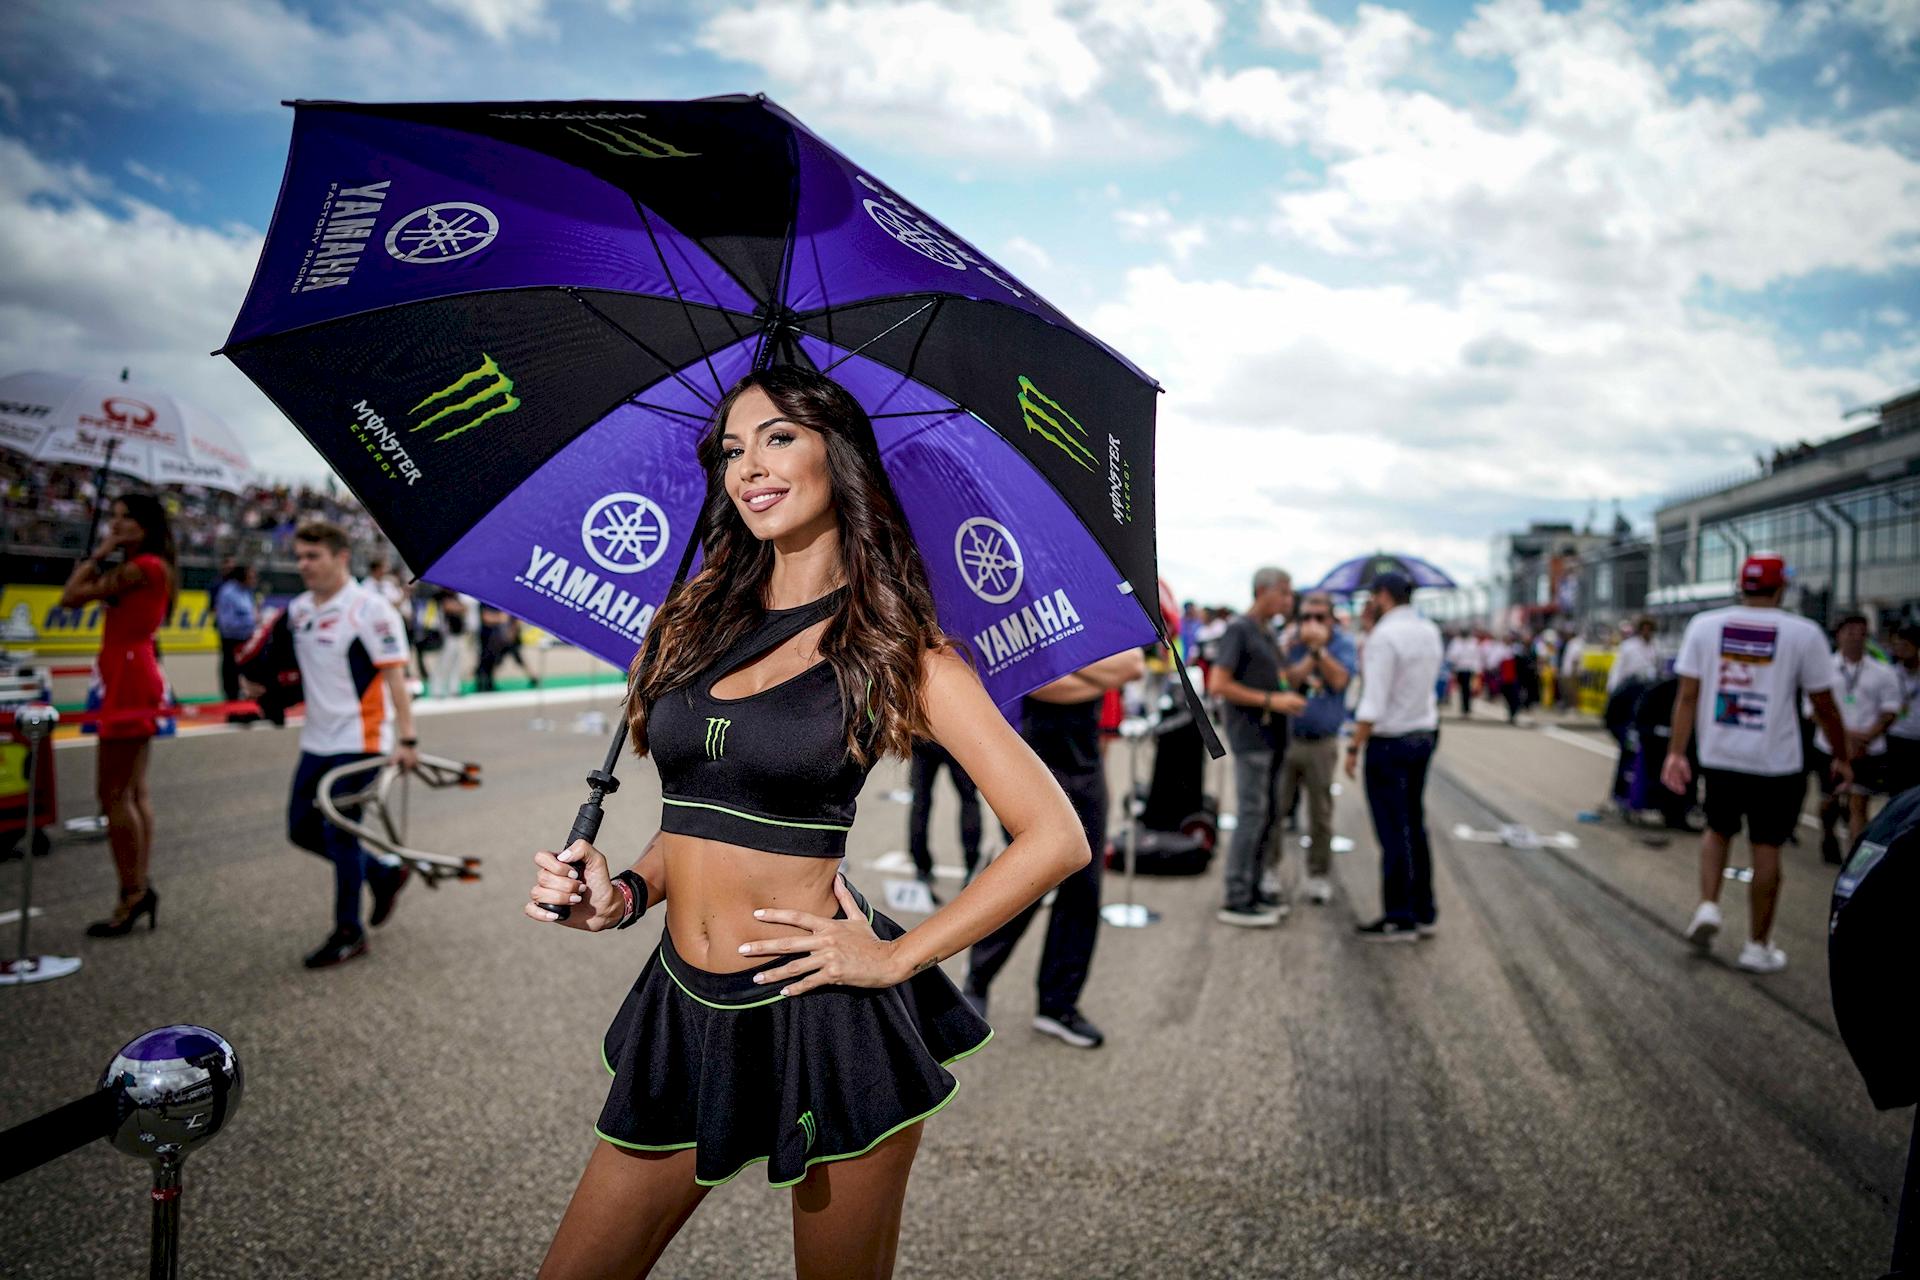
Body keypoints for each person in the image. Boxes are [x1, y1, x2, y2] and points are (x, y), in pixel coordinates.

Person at [526, 366, 1088, 1280]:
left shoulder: (901, 653)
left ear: (840, 456)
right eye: (732, 450)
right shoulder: (690, 624)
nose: (749, 466)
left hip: (826, 1015)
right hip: (682, 1003)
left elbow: (1056, 836)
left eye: (779, 437)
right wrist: (622, 894)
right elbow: (702, 814)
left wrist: (899, 958)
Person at [1660, 554, 1851, 974]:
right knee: (1766, 847)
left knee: (1716, 830)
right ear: (1781, 589)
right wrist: (1841, 754)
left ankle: (1708, 905)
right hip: (1775, 761)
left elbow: (1687, 696)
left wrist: (1676, 752)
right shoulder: (1803, 633)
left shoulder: (1705, 626)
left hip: (1720, 754)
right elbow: (1824, 705)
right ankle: (1756, 945)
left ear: (1740, 586)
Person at [961, 648, 1143, 1048]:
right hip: (1033, 766)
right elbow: (1038, 685)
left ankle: (1058, 1006)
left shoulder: (1095, 618)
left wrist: (1065, 666)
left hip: (1087, 769)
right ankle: (977, 978)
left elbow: (1132, 666)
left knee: (1084, 893)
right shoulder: (1030, 620)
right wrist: (1096, 674)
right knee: (1025, 885)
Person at [264, 522, 420, 969]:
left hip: (361, 739)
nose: (303, 565)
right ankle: (382, 872)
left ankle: (349, 932)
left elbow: (396, 678)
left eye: (313, 556)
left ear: (340, 558)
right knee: (300, 829)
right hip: (316, 739)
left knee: (341, 832)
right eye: (299, 556)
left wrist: (407, 739)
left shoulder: (370, 610)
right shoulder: (297, 610)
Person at [59, 494, 174, 937]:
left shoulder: (141, 567)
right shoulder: (148, 566)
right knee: (132, 790)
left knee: (112, 793)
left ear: (145, 526)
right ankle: (137, 887)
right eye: (114, 517)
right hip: (130, 669)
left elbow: (71, 597)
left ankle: (132, 892)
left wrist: (98, 554)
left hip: (128, 672)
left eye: (125, 518)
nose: (115, 524)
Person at [1345, 571, 1444, 942]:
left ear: (1383, 595)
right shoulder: (1428, 630)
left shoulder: (1384, 638)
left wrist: (1354, 746)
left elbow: (1373, 701)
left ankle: (1399, 916)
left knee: (1392, 830)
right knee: (1414, 825)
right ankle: (1423, 910)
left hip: (1390, 740)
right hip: (1423, 733)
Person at [1207, 568, 1306, 926]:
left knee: (1268, 816)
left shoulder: (1267, 632)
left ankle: (1254, 888)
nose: (1289, 600)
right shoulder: (1239, 629)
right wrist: (1271, 701)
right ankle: (1237, 897)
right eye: (1284, 592)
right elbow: (1219, 683)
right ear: (1263, 591)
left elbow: (1280, 678)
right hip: (1251, 738)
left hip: (1274, 738)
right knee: (1251, 815)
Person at [1278, 591, 1355, 905]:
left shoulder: (1343, 645)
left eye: (1319, 617)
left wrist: (1320, 650)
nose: (1312, 623)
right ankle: (1269, 869)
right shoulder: (1290, 642)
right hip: (1289, 737)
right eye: (1306, 617)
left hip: (1322, 741)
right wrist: (1309, 652)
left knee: (1320, 814)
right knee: (1276, 808)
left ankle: (1318, 874)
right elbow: (1289, 681)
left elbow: (1339, 681)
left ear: (1331, 619)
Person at [1809, 613, 1904, 862]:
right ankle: (1828, 834)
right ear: (1838, 635)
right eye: (1849, 631)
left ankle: (1854, 858)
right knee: (1828, 802)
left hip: (1867, 749)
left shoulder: (1882, 671)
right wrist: (1842, 737)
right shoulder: (1823, 669)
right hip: (1828, 746)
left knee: (1858, 803)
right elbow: (1813, 710)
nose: (1855, 637)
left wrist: (1866, 737)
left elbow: (1891, 709)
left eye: (1860, 632)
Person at [906, 739, 980, 901]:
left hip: (923, 735)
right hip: (955, 736)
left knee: (920, 802)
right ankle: (972, 864)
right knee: (968, 798)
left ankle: (921, 867)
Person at [212, 562, 258, 719]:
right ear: (242, 577)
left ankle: (248, 707)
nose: (254, 579)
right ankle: (233, 710)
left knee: (249, 675)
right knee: (231, 675)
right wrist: (251, 621)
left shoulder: (247, 592)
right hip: (232, 640)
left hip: (246, 640)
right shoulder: (228, 593)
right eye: (251, 576)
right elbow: (226, 623)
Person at [1887, 625, 1920, 798]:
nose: (1900, 650)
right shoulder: (1889, 674)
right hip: (1897, 740)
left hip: (1917, 738)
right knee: (1898, 794)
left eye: (1905, 645)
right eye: (1896, 645)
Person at [1607, 616, 1660, 693]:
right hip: (1629, 686)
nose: (1646, 632)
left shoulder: (1656, 647)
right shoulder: (1628, 646)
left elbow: (1657, 667)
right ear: (1640, 630)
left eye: (1649, 629)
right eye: (1644, 629)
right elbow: (1618, 668)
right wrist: (1612, 687)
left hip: (1647, 687)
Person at [1446, 629, 1478, 716]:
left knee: (1467, 689)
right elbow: (1451, 655)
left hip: (1469, 669)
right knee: (1462, 689)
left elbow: (1476, 656)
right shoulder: (1456, 642)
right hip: (1459, 669)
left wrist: (1476, 668)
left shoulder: (1473, 642)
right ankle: (1464, 707)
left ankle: (1467, 708)